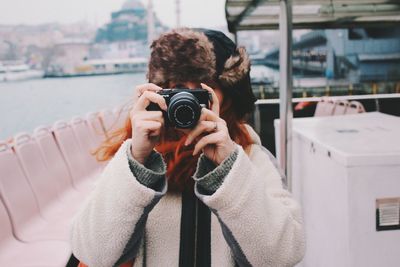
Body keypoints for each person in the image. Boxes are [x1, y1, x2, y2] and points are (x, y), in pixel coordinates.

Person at [71, 28, 305, 267]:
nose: (189, 100)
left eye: (203, 89)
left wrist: (228, 167)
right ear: (160, 93)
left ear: (227, 94)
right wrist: (137, 161)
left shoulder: (250, 157)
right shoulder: (137, 160)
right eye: (180, 87)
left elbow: (282, 255)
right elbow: (91, 252)